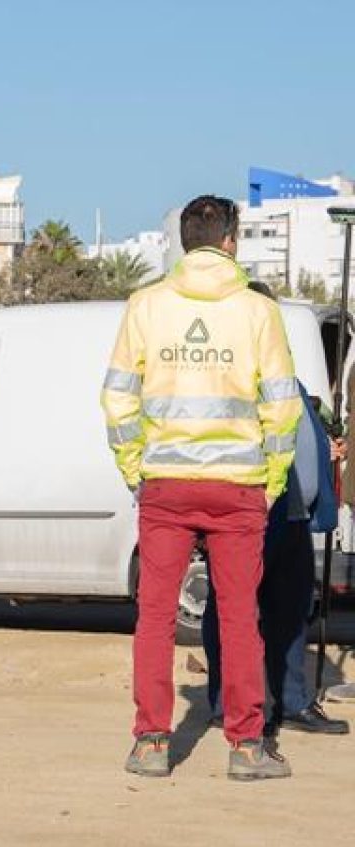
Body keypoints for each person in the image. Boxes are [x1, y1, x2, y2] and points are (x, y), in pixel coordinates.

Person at [101, 195, 303, 781]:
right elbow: (282, 408)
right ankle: (246, 747)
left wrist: (135, 467)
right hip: (238, 487)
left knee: (156, 615)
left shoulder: (145, 306)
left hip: (165, 484)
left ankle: (151, 743)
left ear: (186, 241)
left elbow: (117, 398)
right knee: (241, 616)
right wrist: (270, 483)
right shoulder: (257, 313)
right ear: (231, 241)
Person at [200, 389, 347, 737]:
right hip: (250, 514)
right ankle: (227, 705)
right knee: (232, 611)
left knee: (292, 613)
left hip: (295, 518)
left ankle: (293, 702)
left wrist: (324, 448)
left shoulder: (290, 383)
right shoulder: (242, 374)